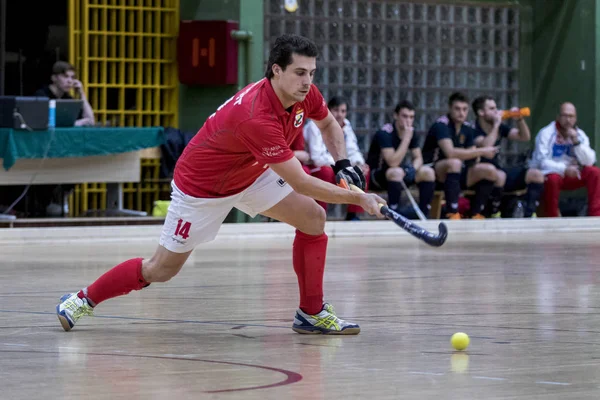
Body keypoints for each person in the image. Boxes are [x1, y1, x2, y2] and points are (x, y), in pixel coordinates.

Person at [56, 34, 385, 335]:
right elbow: (299, 181)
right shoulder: (256, 116)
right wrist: (360, 199)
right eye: (300, 73)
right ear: (276, 71)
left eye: (312, 73)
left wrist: (342, 163)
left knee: (313, 218)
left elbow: (328, 123)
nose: (308, 81)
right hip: (202, 188)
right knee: (160, 269)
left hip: (250, 172)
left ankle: (311, 313)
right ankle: (82, 299)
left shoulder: (304, 94)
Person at [421, 92, 499, 219]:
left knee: (490, 170)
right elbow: (450, 153)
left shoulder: (467, 128)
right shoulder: (441, 125)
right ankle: (452, 212)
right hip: (434, 172)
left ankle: (476, 213)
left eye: (464, 109)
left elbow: (474, 156)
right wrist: (482, 151)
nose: (461, 113)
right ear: (450, 108)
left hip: (456, 175)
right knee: (454, 162)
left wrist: (477, 155)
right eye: (457, 109)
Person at [471, 96, 544, 218]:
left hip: (499, 169)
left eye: (496, 108)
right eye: (492, 109)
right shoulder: (473, 129)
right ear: (481, 112)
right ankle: (494, 212)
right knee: (499, 175)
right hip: (481, 174)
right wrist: (496, 126)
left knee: (536, 175)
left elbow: (524, 137)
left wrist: (519, 119)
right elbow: (485, 144)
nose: (496, 111)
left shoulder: (499, 127)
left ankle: (529, 214)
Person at [303, 96, 370, 220]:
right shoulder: (314, 125)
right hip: (315, 167)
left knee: (361, 170)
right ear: (328, 110)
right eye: (336, 110)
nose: (339, 114)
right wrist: (342, 166)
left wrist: (359, 163)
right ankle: (319, 214)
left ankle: (353, 216)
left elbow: (352, 150)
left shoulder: (346, 125)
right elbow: (317, 158)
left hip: (337, 166)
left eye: (343, 111)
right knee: (326, 172)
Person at [366, 100, 436, 217]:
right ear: (395, 116)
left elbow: (418, 158)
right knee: (396, 171)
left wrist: (412, 169)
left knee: (427, 172)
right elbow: (392, 162)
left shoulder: (411, 132)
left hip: (399, 174)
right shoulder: (385, 133)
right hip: (377, 175)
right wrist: (406, 139)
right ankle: (392, 213)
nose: (408, 120)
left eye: (411, 117)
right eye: (404, 116)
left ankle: (423, 212)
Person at [531, 102, 600, 217]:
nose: (568, 120)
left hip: (574, 175)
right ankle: (552, 217)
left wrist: (576, 142)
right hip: (553, 174)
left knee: (595, 172)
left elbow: (589, 161)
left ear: (575, 118)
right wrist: (564, 169)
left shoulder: (580, 135)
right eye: (565, 116)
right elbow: (542, 162)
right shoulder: (546, 133)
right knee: (553, 178)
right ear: (558, 117)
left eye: (571, 116)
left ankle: (596, 215)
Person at [34, 61, 95, 127]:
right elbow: (38, 122)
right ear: (54, 78)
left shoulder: (68, 99)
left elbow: (90, 121)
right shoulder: (41, 96)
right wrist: (72, 124)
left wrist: (81, 93)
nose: (70, 81)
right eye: (66, 76)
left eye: (72, 77)